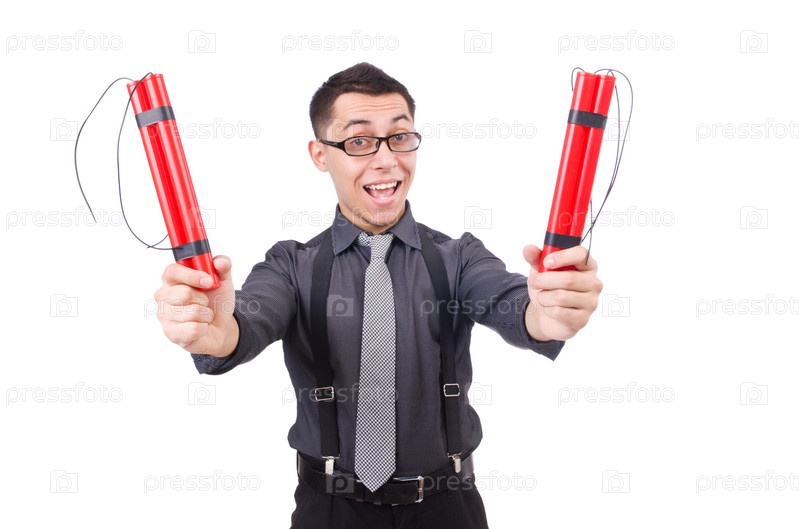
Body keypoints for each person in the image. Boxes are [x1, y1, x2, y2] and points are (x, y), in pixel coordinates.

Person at [154, 62, 602, 528]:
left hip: (448, 507)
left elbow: (513, 304)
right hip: (329, 510)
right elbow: (248, 321)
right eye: (359, 141)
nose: (386, 159)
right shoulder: (291, 264)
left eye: (400, 137)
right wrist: (217, 330)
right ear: (320, 154)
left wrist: (547, 315)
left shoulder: (459, 256)